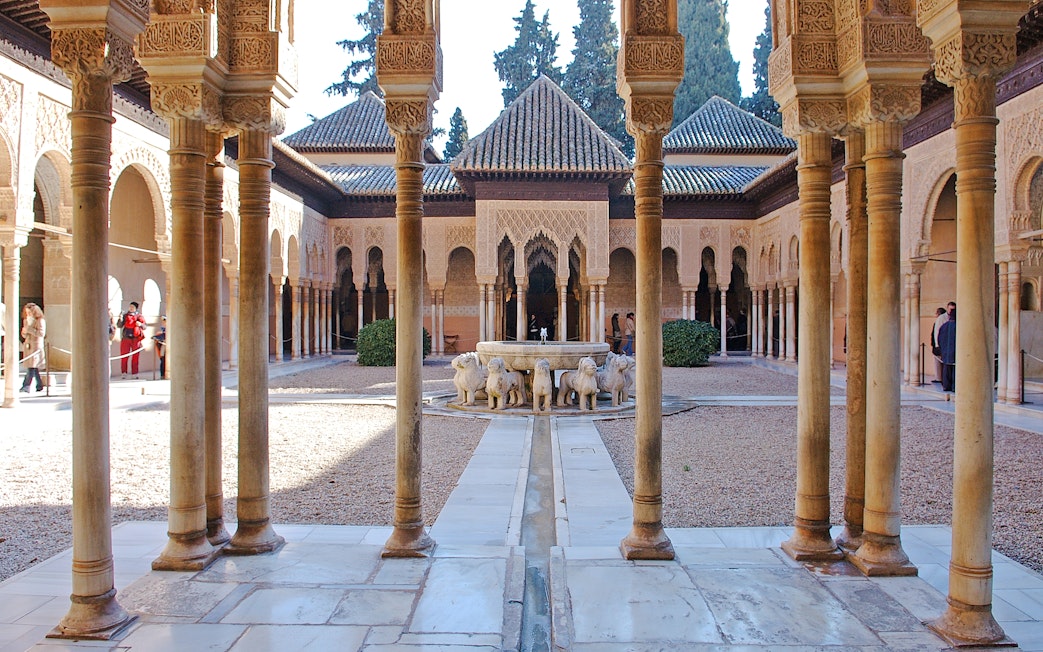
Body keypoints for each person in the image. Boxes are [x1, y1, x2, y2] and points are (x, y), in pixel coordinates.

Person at [19, 303, 46, 393]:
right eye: (27, 312)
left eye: (30, 312)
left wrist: (30, 330)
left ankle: (26, 386)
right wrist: (24, 332)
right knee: (33, 367)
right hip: (28, 345)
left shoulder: (40, 321)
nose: (28, 314)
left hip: (36, 345)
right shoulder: (26, 321)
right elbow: (24, 334)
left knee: (32, 366)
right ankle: (39, 385)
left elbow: (41, 334)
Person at [119, 301, 147, 378]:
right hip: (126, 338)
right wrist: (120, 319)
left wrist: (140, 324)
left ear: (136, 308)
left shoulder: (139, 316)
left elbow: (145, 327)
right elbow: (119, 325)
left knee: (135, 357)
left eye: (133, 307)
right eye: (130, 306)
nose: (131, 308)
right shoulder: (125, 316)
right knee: (124, 356)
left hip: (136, 338)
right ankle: (124, 372)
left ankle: (135, 373)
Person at [938, 302, 957, 392]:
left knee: (946, 369)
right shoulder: (958, 326)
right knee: (954, 369)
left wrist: (941, 349)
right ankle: (954, 386)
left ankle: (946, 386)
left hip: (945, 351)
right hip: (954, 351)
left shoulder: (944, 326)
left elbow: (939, 338)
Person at [930, 306, 948, 384]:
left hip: (939, 346)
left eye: (937, 312)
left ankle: (939, 378)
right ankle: (939, 377)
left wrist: (936, 345)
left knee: (939, 362)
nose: (936, 314)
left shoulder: (940, 321)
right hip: (938, 345)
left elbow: (936, 334)